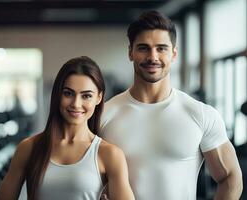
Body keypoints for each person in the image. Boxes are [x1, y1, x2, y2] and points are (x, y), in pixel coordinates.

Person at [100, 10, 243, 200]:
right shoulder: (104, 114)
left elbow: (230, 178)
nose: (153, 57)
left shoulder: (199, 114)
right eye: (143, 48)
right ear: (130, 52)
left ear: (174, 54)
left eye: (161, 48)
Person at [0, 56, 134, 200]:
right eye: (68, 93)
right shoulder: (29, 148)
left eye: (86, 96)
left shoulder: (109, 154)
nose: (76, 104)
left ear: (99, 98)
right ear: (57, 95)